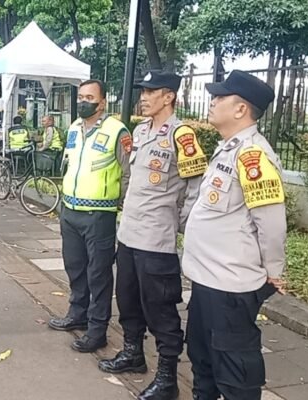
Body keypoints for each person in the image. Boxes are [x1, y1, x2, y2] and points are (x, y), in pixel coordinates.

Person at [98, 70, 208, 400]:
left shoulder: (182, 135)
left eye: (150, 92)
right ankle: (133, 353)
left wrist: (180, 224)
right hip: (129, 234)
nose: (143, 98)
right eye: (142, 92)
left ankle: (167, 378)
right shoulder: (141, 130)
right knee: (128, 299)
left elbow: (196, 189)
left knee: (160, 309)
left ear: (169, 96)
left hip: (156, 240)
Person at [183, 70, 286, 400]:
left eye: (220, 97)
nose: (212, 102)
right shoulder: (228, 149)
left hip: (230, 287)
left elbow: (271, 224)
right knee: (202, 362)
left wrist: (274, 272)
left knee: (235, 373)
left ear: (241, 109)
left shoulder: (253, 156)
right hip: (206, 280)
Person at [48, 79, 131, 353]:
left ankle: (97, 331)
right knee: (74, 267)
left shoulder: (117, 131)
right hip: (70, 211)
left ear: (102, 102)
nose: (83, 102)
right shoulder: (74, 128)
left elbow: (128, 173)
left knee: (99, 274)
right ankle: (77, 314)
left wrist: (120, 204)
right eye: (81, 97)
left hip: (99, 214)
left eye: (90, 98)